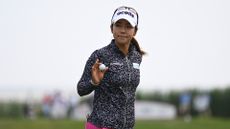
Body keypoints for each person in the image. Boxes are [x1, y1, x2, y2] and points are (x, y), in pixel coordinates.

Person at [77, 6, 146, 129]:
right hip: (101, 125)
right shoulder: (100, 55)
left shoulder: (136, 57)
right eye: (118, 25)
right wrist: (94, 82)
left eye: (128, 26)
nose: (123, 30)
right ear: (111, 28)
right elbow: (81, 89)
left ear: (135, 31)